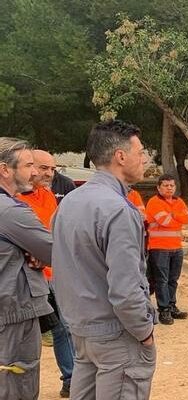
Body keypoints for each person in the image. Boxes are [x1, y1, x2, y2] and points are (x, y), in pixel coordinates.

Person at [52, 120, 157, 399]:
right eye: (140, 152)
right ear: (120, 157)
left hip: (83, 332)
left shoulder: (70, 202)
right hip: (116, 335)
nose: (144, 159)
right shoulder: (119, 209)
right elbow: (125, 288)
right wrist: (144, 331)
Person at [16, 149, 75, 398]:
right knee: (24, 336)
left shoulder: (48, 195)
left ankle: (70, 378)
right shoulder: (12, 200)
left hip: (55, 275)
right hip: (28, 279)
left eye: (52, 168)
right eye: (43, 168)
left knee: (64, 329)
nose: (49, 173)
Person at [0, 138, 53, 400]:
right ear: (5, 170)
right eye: (29, 165)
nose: (35, 172)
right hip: (13, 314)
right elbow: (55, 251)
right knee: (17, 383)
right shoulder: (11, 212)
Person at [145, 174, 188, 325]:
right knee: (162, 280)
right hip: (159, 248)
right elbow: (165, 221)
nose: (169, 188)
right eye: (166, 185)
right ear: (158, 187)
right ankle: (164, 310)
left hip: (176, 248)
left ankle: (172, 306)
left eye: (172, 185)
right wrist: (178, 216)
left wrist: (174, 215)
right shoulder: (154, 202)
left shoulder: (178, 201)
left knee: (173, 279)